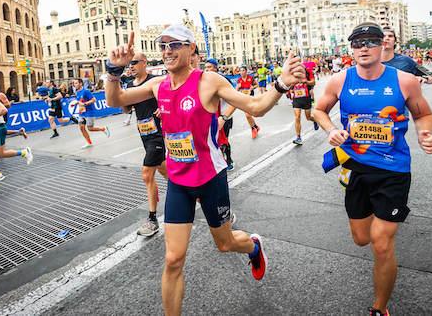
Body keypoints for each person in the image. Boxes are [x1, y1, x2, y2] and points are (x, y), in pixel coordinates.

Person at [105, 25, 307, 316]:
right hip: (179, 182)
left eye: (175, 44)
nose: (167, 51)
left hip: (210, 178)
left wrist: (280, 85)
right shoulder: (157, 85)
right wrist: (113, 71)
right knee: (173, 259)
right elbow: (116, 100)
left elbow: (255, 106)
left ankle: (252, 247)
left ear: (191, 49)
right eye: (162, 46)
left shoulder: (209, 81)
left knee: (224, 244)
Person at [313, 22, 432, 316]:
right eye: (357, 42)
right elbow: (319, 110)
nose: (364, 47)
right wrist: (331, 129)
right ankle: (378, 226)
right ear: (351, 49)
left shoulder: (406, 81)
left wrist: (425, 133)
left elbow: (424, 114)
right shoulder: (339, 81)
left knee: (381, 244)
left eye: (370, 41)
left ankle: (379, 308)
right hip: (355, 167)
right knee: (361, 238)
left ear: (383, 45)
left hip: (393, 170)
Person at [123, 52, 168, 237]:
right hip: (144, 134)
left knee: (146, 173)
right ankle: (206, 202)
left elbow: (169, 97)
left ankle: (152, 219)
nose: (131, 66)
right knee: (172, 177)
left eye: (134, 63)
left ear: (144, 63)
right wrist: (122, 96)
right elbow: (126, 108)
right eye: (129, 64)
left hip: (158, 134)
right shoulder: (127, 85)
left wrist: (162, 106)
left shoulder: (155, 80)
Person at [205, 58, 235, 171]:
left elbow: (234, 98)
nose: (207, 70)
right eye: (206, 68)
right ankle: (217, 163)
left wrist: (224, 117)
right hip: (212, 116)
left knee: (224, 139)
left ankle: (229, 160)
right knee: (214, 140)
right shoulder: (204, 82)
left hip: (225, 115)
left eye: (209, 67)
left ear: (216, 68)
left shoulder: (224, 80)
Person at [72, 78, 110, 148]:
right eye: (74, 83)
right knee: (81, 127)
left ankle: (103, 129)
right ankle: (89, 143)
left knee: (90, 128)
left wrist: (85, 103)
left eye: (76, 83)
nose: (75, 85)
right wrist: (76, 103)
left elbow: (94, 100)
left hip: (89, 111)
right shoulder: (77, 92)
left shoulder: (86, 91)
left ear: (80, 83)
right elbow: (80, 101)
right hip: (82, 112)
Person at [290, 68, 319, 145]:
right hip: (296, 99)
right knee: (297, 117)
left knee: (308, 117)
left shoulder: (307, 72)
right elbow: (289, 85)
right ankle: (298, 137)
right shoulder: (292, 72)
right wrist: (291, 89)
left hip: (306, 98)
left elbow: (313, 82)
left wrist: (306, 82)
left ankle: (315, 120)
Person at [236, 66, 260, 139]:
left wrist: (253, 87)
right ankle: (255, 127)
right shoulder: (239, 80)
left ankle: (254, 128)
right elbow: (236, 90)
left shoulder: (250, 78)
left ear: (246, 71)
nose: (242, 72)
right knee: (248, 115)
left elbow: (257, 84)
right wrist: (238, 88)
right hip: (243, 98)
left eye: (243, 70)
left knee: (248, 115)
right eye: (240, 71)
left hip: (250, 98)